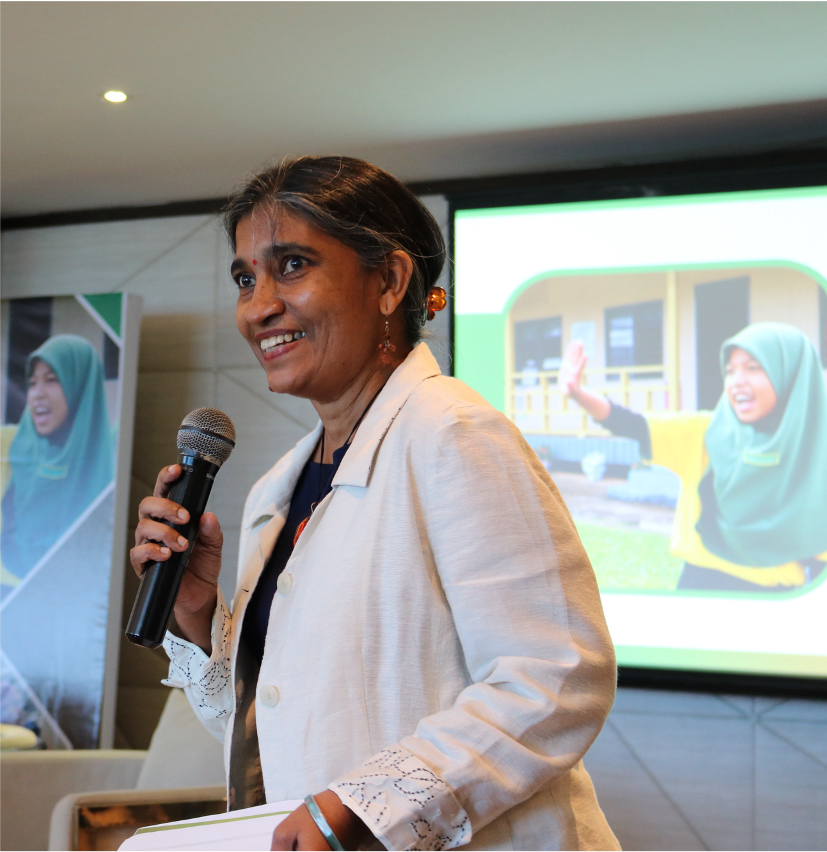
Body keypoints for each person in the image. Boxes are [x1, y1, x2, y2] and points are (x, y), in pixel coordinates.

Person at [133, 157, 619, 851]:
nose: (258, 306)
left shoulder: (452, 434)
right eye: (245, 278)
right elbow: (278, 727)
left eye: (292, 266)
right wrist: (196, 612)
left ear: (388, 281)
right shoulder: (278, 486)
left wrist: (365, 807)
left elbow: (556, 677)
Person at [561, 322, 827, 592]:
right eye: (730, 371)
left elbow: (826, 556)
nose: (737, 381)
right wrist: (578, 393)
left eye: (753, 368)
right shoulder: (706, 432)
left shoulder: (822, 457)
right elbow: (632, 424)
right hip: (699, 589)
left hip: (775, 601)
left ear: (791, 374)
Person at [0, 335, 114, 587]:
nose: (37, 394)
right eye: (32, 383)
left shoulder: (109, 462)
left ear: (80, 386)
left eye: (51, 380)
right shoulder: (13, 448)